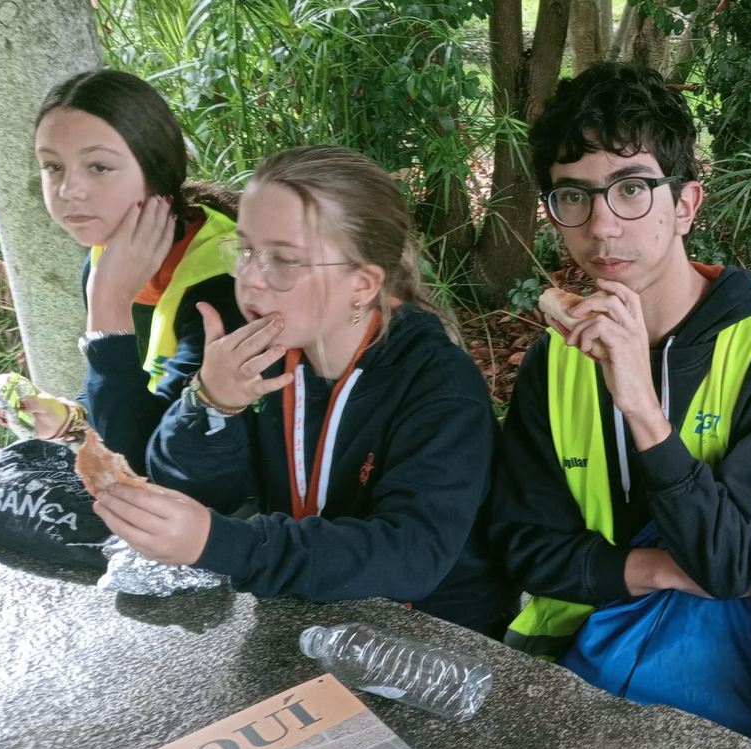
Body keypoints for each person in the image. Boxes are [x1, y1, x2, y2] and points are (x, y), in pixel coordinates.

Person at [492, 62, 751, 734]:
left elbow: (731, 565)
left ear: (686, 205)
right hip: (564, 656)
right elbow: (522, 543)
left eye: (632, 189)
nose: (603, 227)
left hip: (709, 677)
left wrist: (643, 408)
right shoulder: (556, 358)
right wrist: (658, 569)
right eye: (574, 197)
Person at [90, 145, 512, 637]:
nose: (249, 277)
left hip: (434, 640)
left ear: (361, 284)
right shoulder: (267, 347)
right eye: (246, 250)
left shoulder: (438, 385)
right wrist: (212, 402)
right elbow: (187, 487)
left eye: (283, 260)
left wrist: (226, 544)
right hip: (307, 613)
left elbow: (412, 554)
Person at [0, 69, 243, 472]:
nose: (69, 190)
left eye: (98, 166)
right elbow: (139, 406)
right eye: (53, 167)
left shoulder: (227, 283)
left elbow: (144, 461)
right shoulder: (112, 253)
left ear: (156, 168)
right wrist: (67, 417)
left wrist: (109, 305)